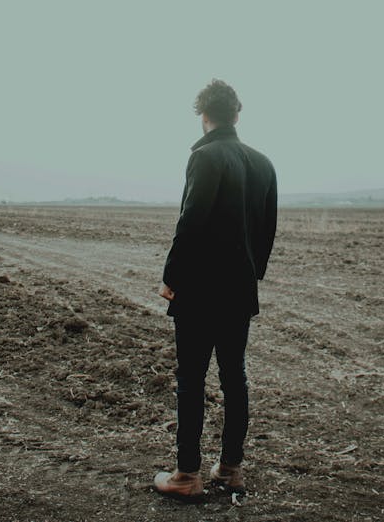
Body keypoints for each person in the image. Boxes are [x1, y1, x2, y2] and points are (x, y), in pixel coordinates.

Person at [154, 79, 277, 499]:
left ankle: (187, 475)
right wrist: (248, 276)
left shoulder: (205, 156)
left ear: (203, 116)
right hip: (239, 292)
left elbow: (190, 223)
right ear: (237, 115)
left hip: (199, 292)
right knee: (234, 378)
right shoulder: (263, 163)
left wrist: (171, 277)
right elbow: (266, 236)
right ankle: (230, 470)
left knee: (190, 379)